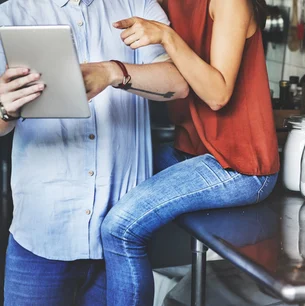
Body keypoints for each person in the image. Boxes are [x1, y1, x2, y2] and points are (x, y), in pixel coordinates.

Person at [0, 0, 189, 305]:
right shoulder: (10, 14)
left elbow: (179, 82)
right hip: (40, 236)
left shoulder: (138, 5)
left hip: (119, 243)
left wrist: (113, 72)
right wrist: (4, 109)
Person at [99, 0, 280, 304]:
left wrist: (167, 36)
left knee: (121, 228)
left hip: (239, 166)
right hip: (190, 152)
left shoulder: (228, 3)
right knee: (107, 178)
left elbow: (217, 94)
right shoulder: (167, 3)